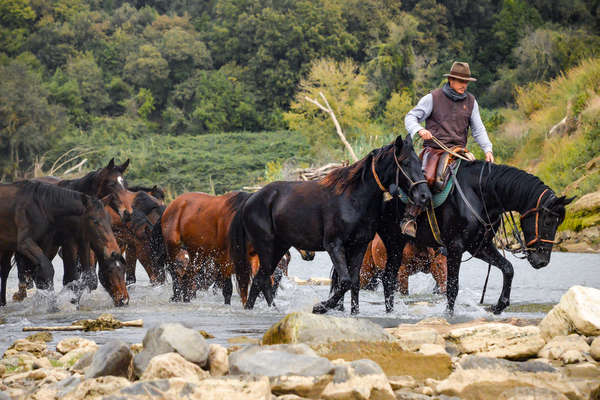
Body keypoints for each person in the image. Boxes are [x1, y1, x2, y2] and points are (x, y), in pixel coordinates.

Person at [400, 61, 494, 237]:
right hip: (434, 150)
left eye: (466, 82)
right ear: (451, 79)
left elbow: (478, 129)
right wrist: (419, 130)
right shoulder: (432, 98)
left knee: (478, 182)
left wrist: (488, 149)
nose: (464, 85)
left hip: (460, 152)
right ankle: (409, 217)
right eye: (460, 81)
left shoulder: (471, 102)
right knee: (426, 177)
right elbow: (411, 117)